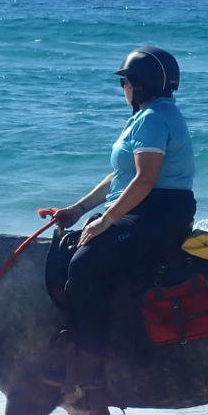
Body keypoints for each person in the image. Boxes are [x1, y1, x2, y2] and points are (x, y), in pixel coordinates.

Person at [43, 46, 197, 393]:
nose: (122, 88)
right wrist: (78, 210)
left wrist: (106, 220)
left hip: (157, 210)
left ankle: (93, 365)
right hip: (145, 205)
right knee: (75, 247)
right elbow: (121, 176)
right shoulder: (149, 116)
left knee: (84, 264)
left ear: (139, 84)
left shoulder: (153, 119)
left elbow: (144, 180)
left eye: (124, 82)